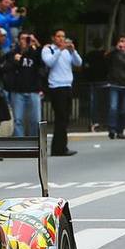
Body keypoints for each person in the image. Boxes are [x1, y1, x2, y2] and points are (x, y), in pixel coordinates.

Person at [42, 28, 82, 156]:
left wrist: (73, 51)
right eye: (58, 36)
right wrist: (60, 50)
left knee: (65, 118)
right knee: (60, 117)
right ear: (53, 37)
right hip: (56, 87)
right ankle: (58, 148)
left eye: (63, 36)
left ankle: (62, 145)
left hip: (67, 85)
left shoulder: (67, 51)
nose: (61, 39)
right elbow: (49, 62)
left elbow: (78, 63)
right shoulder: (49, 49)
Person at [3, 31, 44, 138]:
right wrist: (15, 60)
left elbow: (43, 63)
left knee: (35, 120)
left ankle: (33, 142)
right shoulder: (13, 53)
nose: (25, 41)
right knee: (18, 120)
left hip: (33, 90)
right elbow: (5, 67)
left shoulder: (34, 53)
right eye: (23, 38)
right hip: (17, 91)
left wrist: (37, 44)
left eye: (27, 39)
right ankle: (20, 143)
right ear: (18, 40)